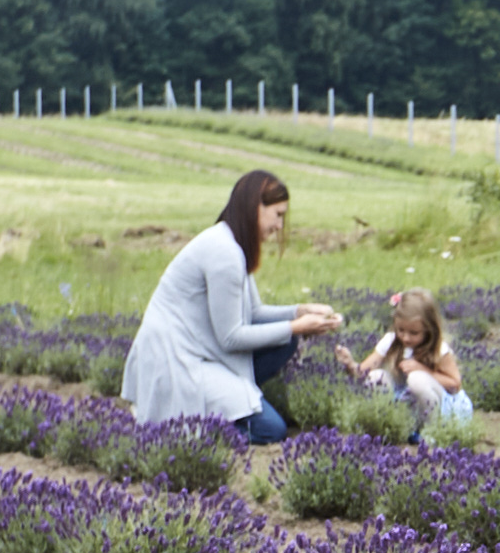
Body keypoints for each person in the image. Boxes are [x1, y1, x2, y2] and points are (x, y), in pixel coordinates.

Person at [125, 168, 341, 442]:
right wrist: (296, 325)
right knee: (270, 430)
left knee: (285, 341)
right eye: (278, 215)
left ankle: (233, 403)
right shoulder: (223, 252)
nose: (279, 226)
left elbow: (253, 314)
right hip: (176, 360)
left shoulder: (232, 244)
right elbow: (231, 337)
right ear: (255, 208)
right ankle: (189, 428)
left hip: (198, 349)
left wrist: (299, 312)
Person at [348, 291, 469, 434]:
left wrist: (424, 371)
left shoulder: (438, 349)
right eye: (401, 330)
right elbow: (363, 372)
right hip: (405, 405)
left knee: (416, 379)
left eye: (414, 333)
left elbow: (455, 384)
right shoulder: (391, 340)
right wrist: (349, 364)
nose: (405, 338)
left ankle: (430, 432)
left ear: (429, 329)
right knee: (375, 378)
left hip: (440, 408)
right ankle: (385, 428)